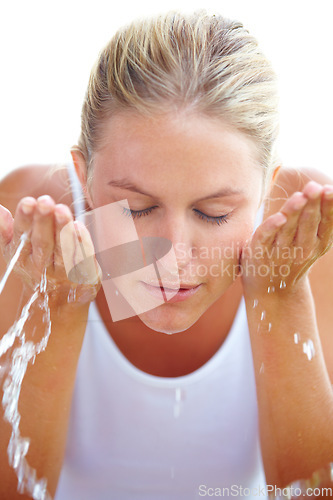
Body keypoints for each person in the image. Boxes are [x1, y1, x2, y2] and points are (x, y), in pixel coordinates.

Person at [0, 10, 333, 500]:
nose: (172, 255)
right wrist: (58, 306)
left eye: (214, 213)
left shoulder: (310, 232)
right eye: (137, 208)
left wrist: (279, 299)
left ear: (266, 187)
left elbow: (311, 492)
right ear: (84, 177)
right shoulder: (30, 221)